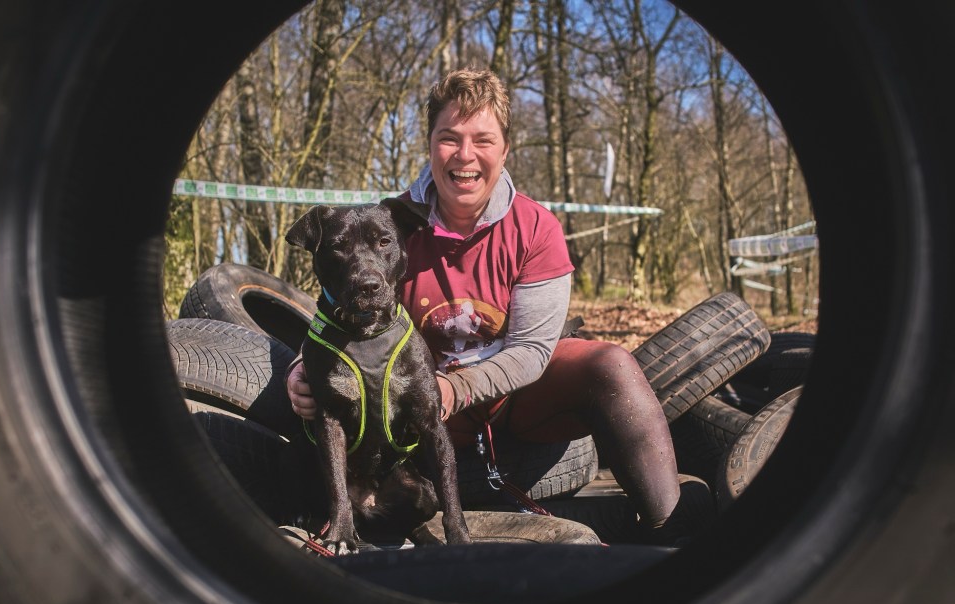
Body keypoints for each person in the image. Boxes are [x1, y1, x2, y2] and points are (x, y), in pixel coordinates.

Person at [287, 66, 713, 545]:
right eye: (449, 138)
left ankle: (670, 535)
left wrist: (458, 387)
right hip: (418, 420)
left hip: (515, 399)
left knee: (611, 364)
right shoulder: (390, 224)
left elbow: (532, 350)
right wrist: (303, 368)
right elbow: (343, 303)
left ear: (505, 149)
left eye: (483, 140)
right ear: (430, 145)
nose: (465, 155)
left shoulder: (537, 229)